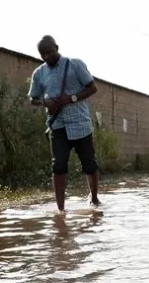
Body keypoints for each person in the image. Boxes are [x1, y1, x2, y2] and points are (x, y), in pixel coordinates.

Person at [28, 35, 101, 213]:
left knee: (89, 165)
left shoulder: (75, 65)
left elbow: (92, 88)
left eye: (49, 52)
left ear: (57, 48)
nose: (46, 57)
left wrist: (71, 98)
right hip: (57, 126)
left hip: (81, 123)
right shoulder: (39, 73)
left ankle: (94, 198)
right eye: (42, 54)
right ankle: (61, 211)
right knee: (58, 165)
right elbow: (33, 99)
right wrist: (46, 103)